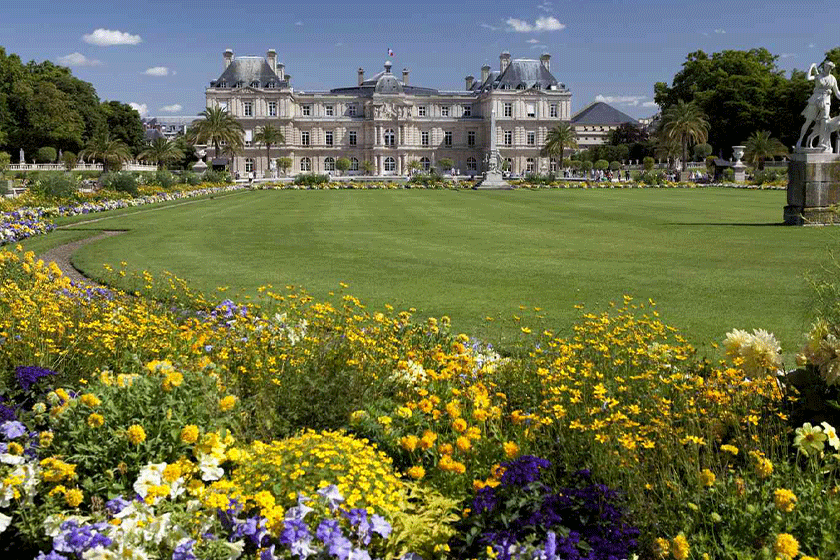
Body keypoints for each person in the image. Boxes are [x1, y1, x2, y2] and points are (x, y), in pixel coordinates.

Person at [798, 61, 840, 150]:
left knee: (824, 121)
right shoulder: (818, 76)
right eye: (825, 66)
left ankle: (821, 143)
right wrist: (811, 67)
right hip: (815, 99)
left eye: (828, 66)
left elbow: (837, 93)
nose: (826, 67)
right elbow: (808, 78)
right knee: (808, 121)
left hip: (826, 100)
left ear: (831, 68)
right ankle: (800, 140)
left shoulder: (832, 78)